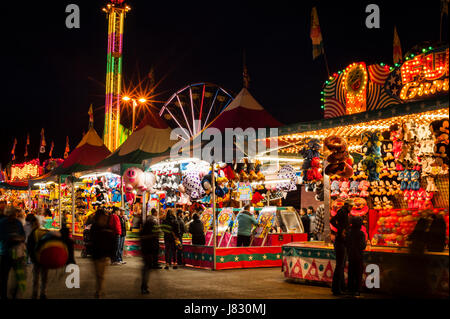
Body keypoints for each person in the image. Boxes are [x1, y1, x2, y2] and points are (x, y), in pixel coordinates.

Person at [0, 206, 26, 299]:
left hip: (17, 253)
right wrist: (12, 238)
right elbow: (2, 236)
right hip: (6, 253)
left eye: (14, 214)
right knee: (4, 277)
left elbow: (23, 235)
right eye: (12, 214)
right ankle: (3, 295)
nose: (13, 216)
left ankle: (13, 293)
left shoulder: (18, 223)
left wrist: (19, 238)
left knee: (18, 275)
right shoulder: (2, 223)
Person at [90, 208, 115, 298]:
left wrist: (111, 254)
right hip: (97, 254)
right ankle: (99, 291)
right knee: (99, 274)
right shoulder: (95, 227)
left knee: (101, 275)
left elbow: (112, 240)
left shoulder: (107, 227)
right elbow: (93, 241)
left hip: (104, 255)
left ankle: (99, 290)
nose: (104, 219)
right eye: (102, 217)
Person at [330, 199, 352, 296]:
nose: (352, 209)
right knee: (339, 266)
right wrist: (340, 229)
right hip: (340, 242)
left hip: (342, 241)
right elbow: (332, 220)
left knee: (341, 265)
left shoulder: (345, 213)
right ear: (348, 206)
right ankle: (336, 289)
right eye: (351, 206)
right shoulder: (342, 212)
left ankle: (341, 287)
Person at [26, 214, 49, 299]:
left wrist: (31, 257)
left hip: (36, 258)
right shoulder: (43, 232)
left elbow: (29, 247)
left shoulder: (32, 234)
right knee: (44, 277)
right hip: (44, 258)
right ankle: (43, 293)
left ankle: (35, 293)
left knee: (36, 277)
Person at [140, 208, 161, 294]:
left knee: (146, 268)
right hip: (148, 249)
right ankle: (144, 286)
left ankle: (144, 286)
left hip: (146, 249)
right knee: (146, 268)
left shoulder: (147, 223)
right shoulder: (152, 222)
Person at [345, 216, 366, 297]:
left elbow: (346, 243)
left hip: (350, 255)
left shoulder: (348, 233)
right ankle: (357, 290)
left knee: (351, 273)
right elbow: (363, 246)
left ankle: (350, 289)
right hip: (359, 256)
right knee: (358, 273)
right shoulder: (361, 234)